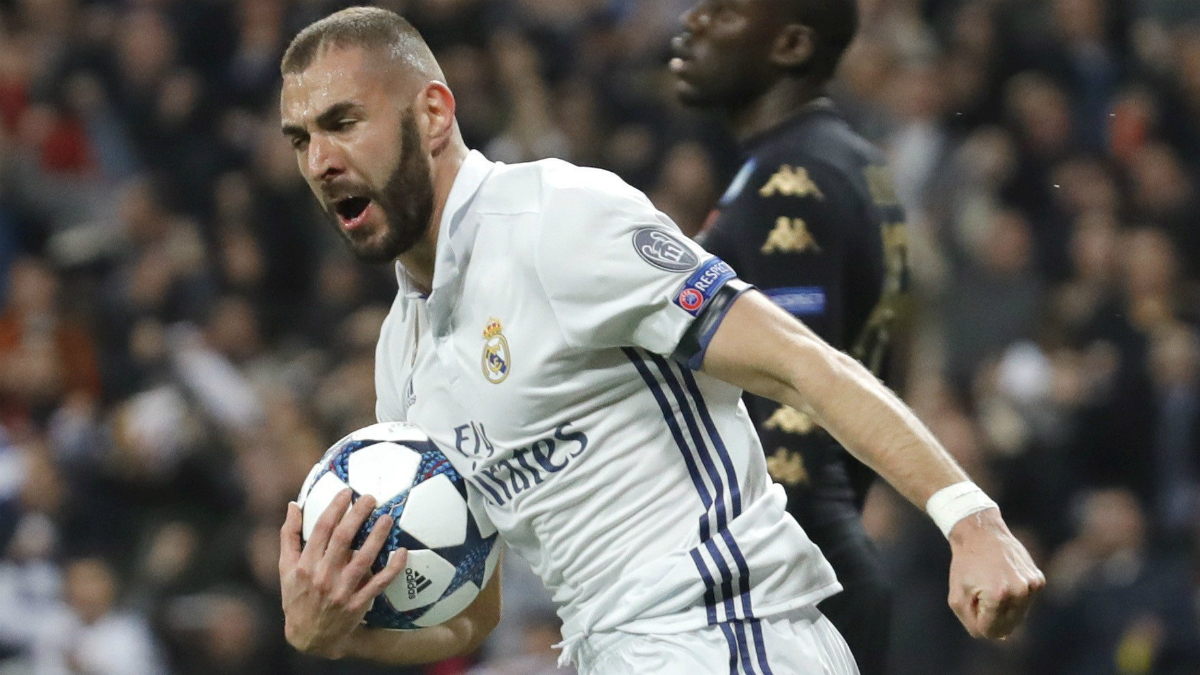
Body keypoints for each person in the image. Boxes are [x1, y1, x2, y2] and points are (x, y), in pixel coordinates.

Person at [274, 8, 1043, 675]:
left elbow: (799, 363)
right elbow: (477, 609)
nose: (319, 159)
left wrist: (971, 519)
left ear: (434, 113)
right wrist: (342, 635)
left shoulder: (557, 222)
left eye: (343, 122)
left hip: (729, 634)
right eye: (301, 138)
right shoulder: (400, 358)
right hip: (608, 650)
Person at [670, 2, 908, 672]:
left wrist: (734, 578)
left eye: (725, 12)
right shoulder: (848, 157)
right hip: (824, 556)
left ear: (792, 45)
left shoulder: (789, 181)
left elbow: (799, 392)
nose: (693, 22)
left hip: (791, 582)